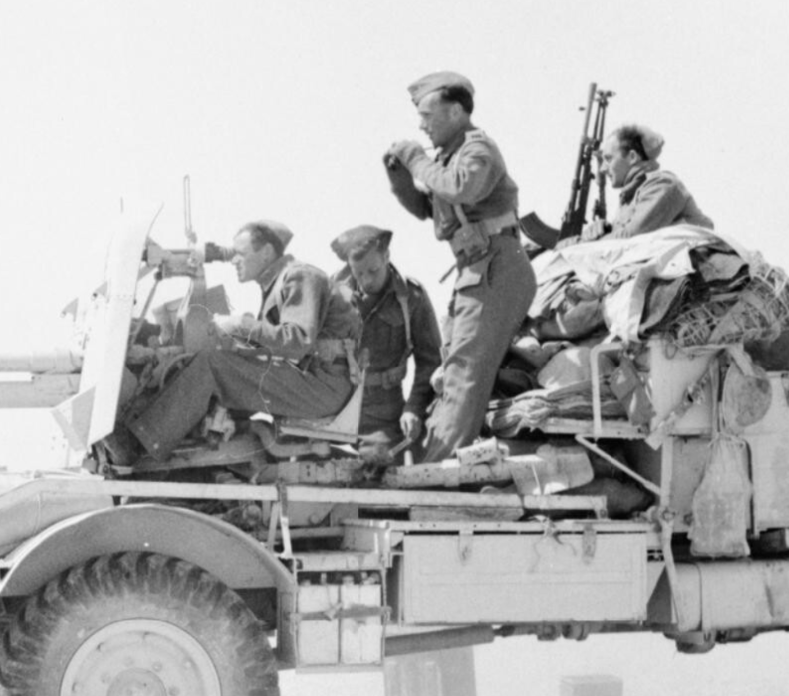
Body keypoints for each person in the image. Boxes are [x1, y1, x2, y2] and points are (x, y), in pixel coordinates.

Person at [116, 220, 362, 464]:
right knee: (217, 363)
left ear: (266, 252)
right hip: (311, 379)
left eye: (241, 254)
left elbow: (297, 341)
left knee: (214, 365)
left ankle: (140, 444)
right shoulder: (277, 284)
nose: (234, 260)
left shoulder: (299, 275)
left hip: (323, 384)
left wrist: (240, 325)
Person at [384, 71, 537, 463]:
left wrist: (415, 159)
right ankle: (434, 460)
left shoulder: (477, 149)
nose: (422, 125)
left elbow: (460, 188)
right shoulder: (449, 159)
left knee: (464, 373)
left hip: (496, 267)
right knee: (451, 372)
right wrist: (400, 177)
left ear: (455, 112)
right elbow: (430, 210)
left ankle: (436, 470)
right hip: (477, 269)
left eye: (427, 115)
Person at [329, 225, 442, 458]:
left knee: (378, 468)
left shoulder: (412, 297)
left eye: (373, 270)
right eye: (358, 273)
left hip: (382, 413)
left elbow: (430, 361)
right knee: (300, 461)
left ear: (386, 256)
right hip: (333, 402)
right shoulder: (332, 293)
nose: (366, 280)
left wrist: (413, 408)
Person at [584, 123, 714, 240]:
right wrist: (604, 230)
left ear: (632, 157)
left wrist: (583, 243)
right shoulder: (633, 195)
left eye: (608, 159)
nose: (602, 168)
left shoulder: (662, 185)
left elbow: (631, 239)